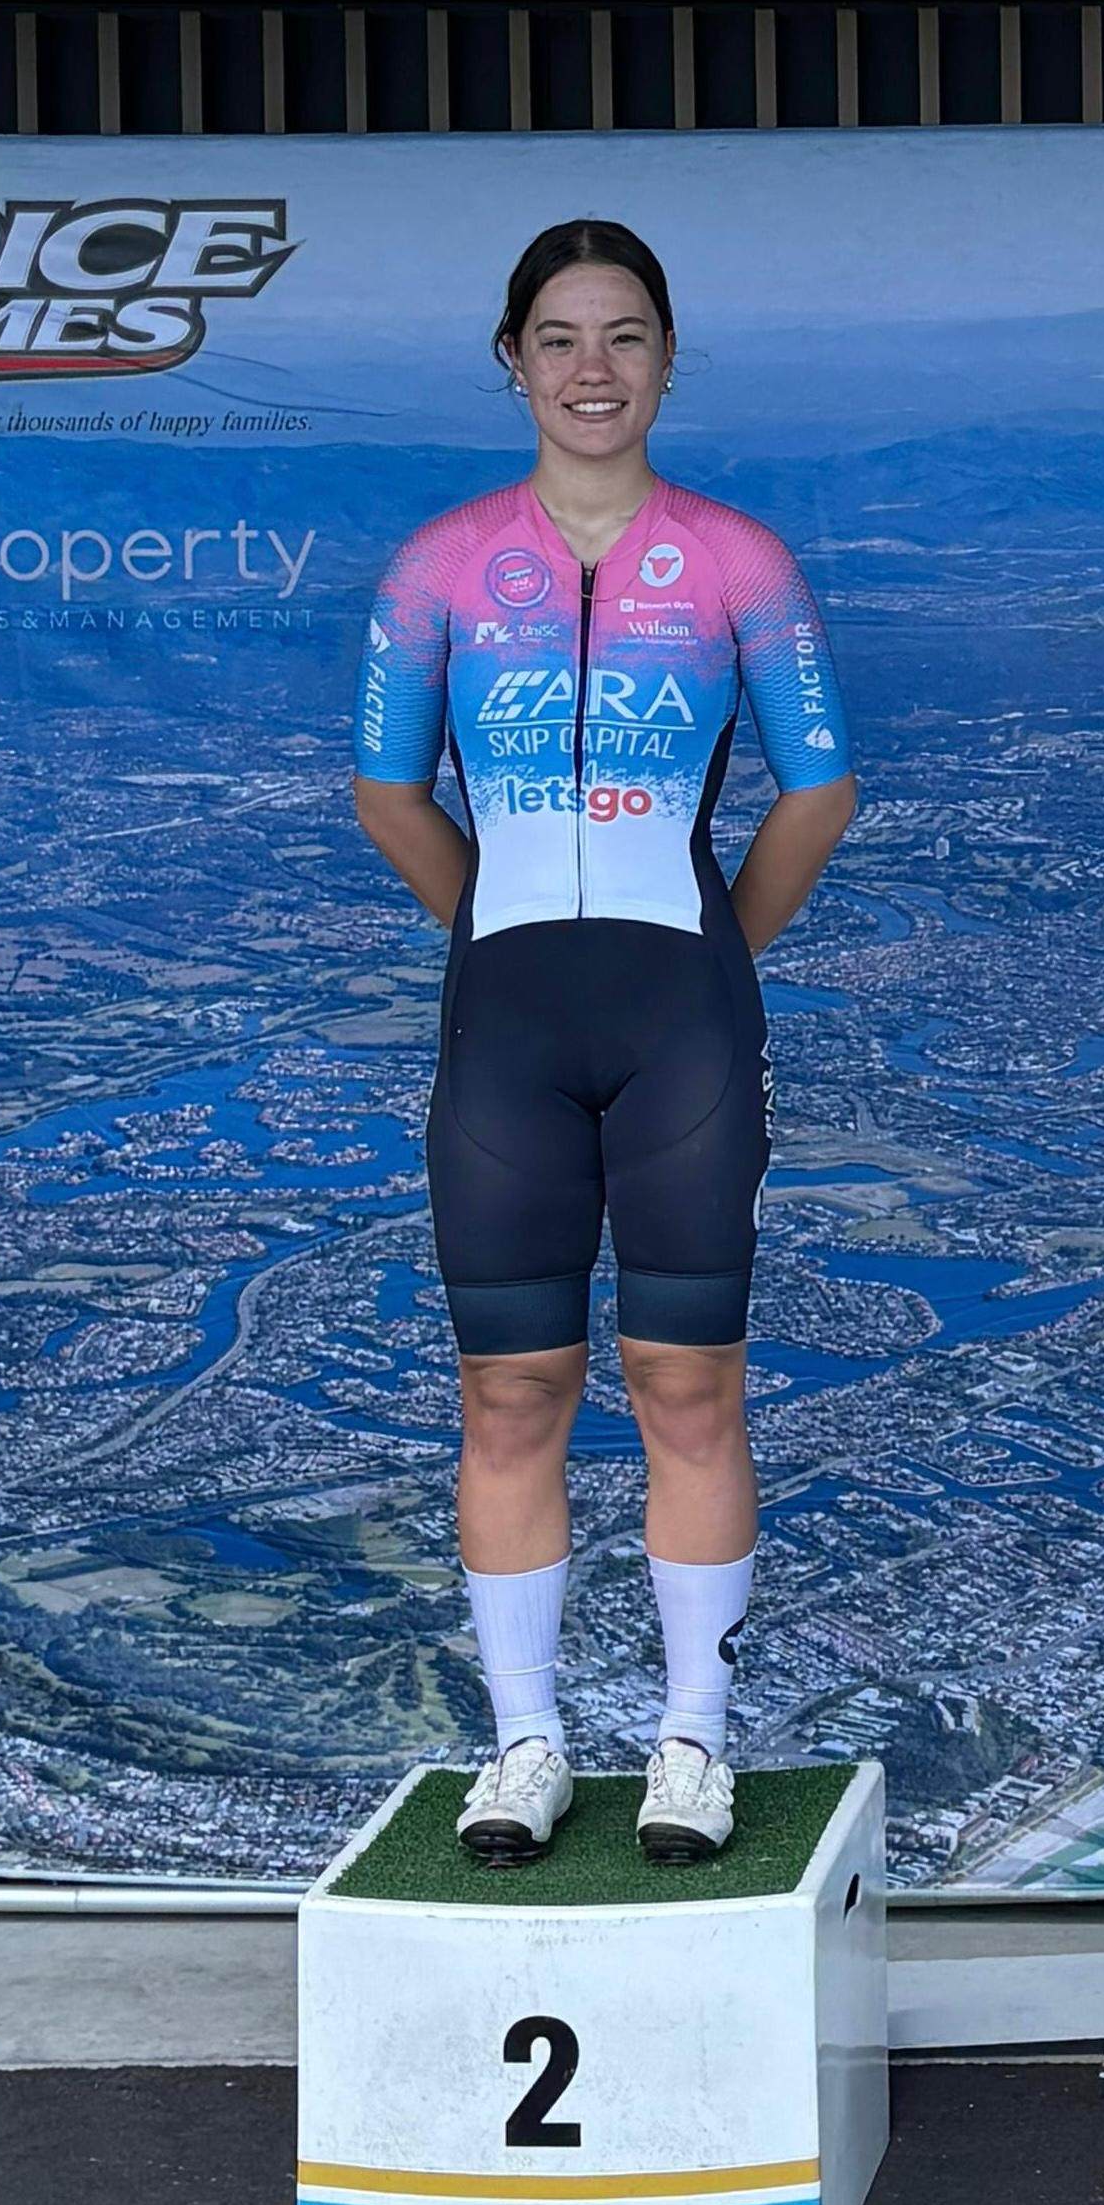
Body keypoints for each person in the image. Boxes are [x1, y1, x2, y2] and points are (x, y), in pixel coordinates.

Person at [352, 219, 857, 1866]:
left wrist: (713, 952)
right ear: (510, 357)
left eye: (625, 336)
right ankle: (525, 1742)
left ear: (665, 358)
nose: (591, 367)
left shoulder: (739, 561)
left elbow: (818, 789)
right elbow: (386, 791)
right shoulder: (439, 564)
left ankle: (691, 1742)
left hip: (679, 1019)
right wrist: (497, 932)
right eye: (559, 337)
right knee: (508, 1389)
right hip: (506, 1015)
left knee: (686, 1381)